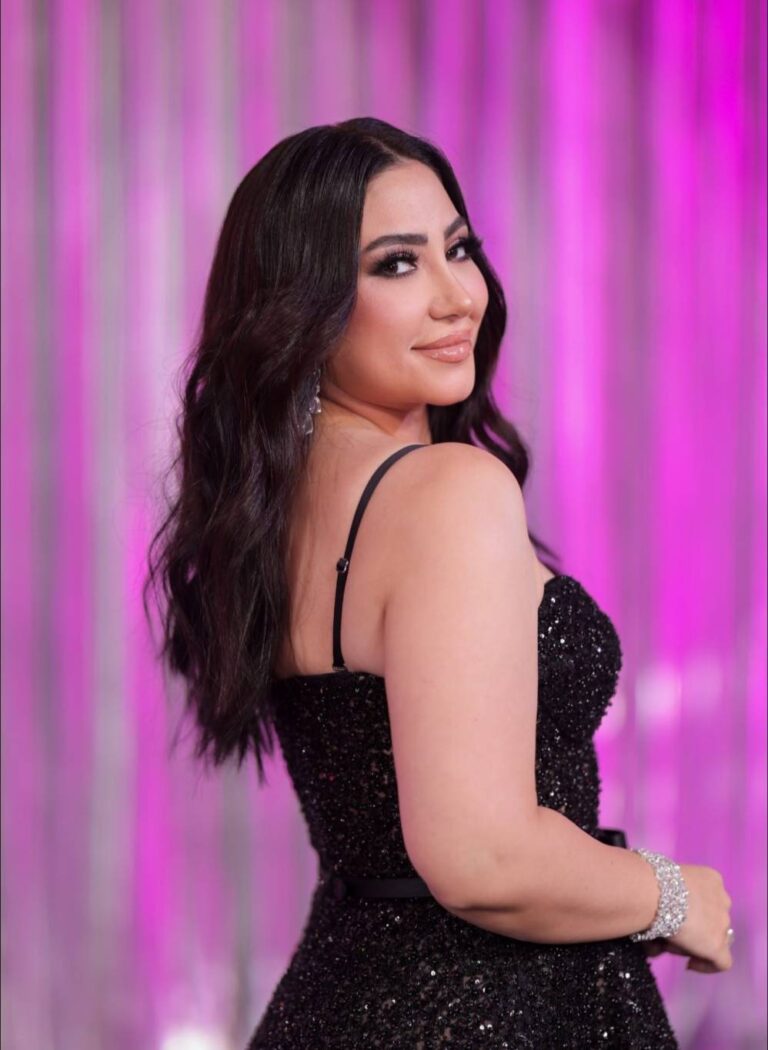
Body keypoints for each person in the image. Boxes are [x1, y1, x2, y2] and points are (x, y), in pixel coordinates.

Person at [144, 117, 733, 1048]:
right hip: (490, 1014)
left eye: (458, 249)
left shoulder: (276, 515)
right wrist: (672, 894)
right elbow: (481, 858)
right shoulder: (447, 494)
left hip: (336, 1003)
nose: (460, 296)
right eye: (396, 265)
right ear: (305, 305)